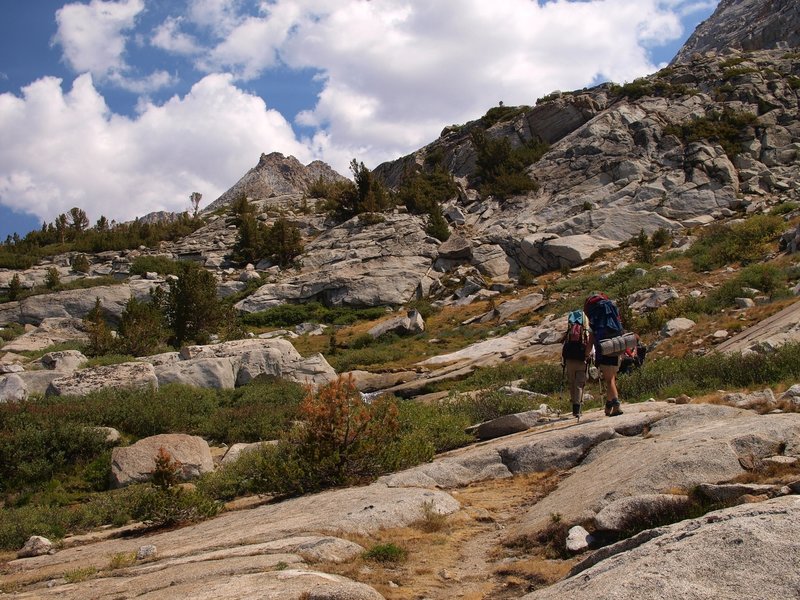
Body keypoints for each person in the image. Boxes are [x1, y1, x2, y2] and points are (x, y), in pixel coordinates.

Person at [584, 294, 624, 417]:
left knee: (609, 379)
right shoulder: (612, 315)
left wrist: (586, 355)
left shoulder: (594, 321)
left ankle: (616, 405)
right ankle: (608, 405)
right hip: (617, 346)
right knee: (612, 377)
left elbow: (591, 341)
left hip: (604, 349)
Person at [561, 309, 591, 418]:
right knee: (580, 384)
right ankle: (577, 408)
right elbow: (590, 346)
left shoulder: (569, 332)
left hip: (569, 360)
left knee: (572, 383)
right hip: (582, 360)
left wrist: (563, 361)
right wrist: (589, 357)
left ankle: (574, 406)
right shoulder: (585, 331)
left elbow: (564, 347)